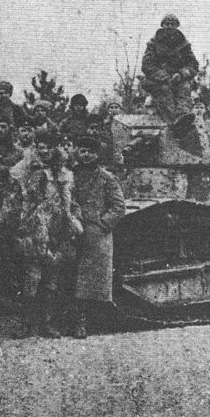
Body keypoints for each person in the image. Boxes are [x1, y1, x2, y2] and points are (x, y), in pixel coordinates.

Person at [14, 141, 80, 338]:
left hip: (58, 232)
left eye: (63, 164)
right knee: (32, 280)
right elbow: (29, 205)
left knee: (52, 281)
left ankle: (47, 323)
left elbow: (72, 204)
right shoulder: (39, 177)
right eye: (56, 164)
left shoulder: (68, 179)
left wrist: (72, 221)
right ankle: (28, 324)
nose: (60, 167)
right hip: (36, 232)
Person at [70, 136, 125, 339]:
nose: (86, 155)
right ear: (77, 152)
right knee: (70, 275)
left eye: (91, 152)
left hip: (96, 233)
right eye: (83, 151)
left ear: (97, 154)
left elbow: (118, 206)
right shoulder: (69, 175)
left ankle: (84, 321)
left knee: (90, 278)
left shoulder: (107, 178)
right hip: (72, 229)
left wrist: (102, 224)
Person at [140, 14, 199, 123]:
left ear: (177, 26)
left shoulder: (184, 45)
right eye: (167, 24)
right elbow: (147, 65)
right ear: (162, 26)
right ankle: (172, 121)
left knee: (185, 87)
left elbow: (193, 65)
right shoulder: (153, 43)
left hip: (178, 79)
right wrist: (165, 77)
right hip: (158, 80)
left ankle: (183, 115)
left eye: (173, 24)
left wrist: (181, 74)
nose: (170, 26)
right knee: (164, 90)